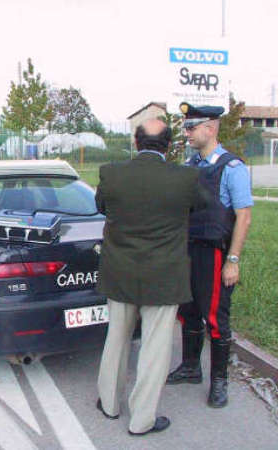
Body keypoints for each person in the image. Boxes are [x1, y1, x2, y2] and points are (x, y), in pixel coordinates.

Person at [96, 119, 206, 435]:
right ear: (169, 145)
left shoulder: (111, 173)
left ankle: (109, 404)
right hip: (164, 275)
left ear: (135, 141)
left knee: (116, 339)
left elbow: (100, 205)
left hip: (120, 272)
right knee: (155, 350)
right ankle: (142, 420)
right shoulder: (186, 178)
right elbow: (202, 205)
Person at [166, 103, 253, 408]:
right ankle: (191, 367)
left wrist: (233, 260)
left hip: (214, 255)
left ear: (211, 128)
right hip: (187, 252)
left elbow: (243, 217)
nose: (187, 133)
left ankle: (220, 382)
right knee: (187, 311)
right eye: (185, 127)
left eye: (192, 127)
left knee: (216, 318)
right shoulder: (190, 166)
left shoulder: (232, 168)